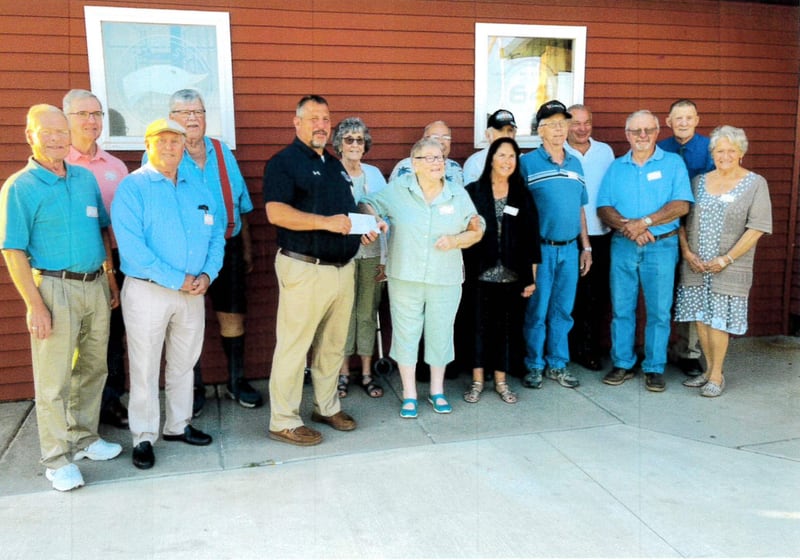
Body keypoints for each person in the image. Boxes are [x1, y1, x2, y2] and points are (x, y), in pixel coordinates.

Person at [0, 104, 122, 491]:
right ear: (30, 136)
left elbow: (103, 231)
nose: (55, 138)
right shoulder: (20, 186)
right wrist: (35, 304)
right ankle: (56, 458)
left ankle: (84, 438)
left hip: (94, 285)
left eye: (60, 131)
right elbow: (12, 250)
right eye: (46, 132)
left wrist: (110, 279)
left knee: (93, 367)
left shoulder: (84, 179)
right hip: (53, 287)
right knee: (53, 380)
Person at [263, 95, 379, 446]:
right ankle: (283, 419)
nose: (321, 124)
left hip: (341, 268)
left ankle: (326, 406)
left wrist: (366, 221)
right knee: (295, 347)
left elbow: (346, 209)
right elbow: (276, 213)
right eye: (313, 117)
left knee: (332, 346)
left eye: (326, 119)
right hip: (305, 268)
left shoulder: (333, 163)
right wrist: (327, 224)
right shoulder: (283, 163)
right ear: (296, 122)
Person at [112, 118, 224, 470]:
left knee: (184, 362)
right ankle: (143, 437)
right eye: (162, 141)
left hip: (193, 291)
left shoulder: (199, 188)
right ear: (147, 145)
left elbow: (217, 235)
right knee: (144, 367)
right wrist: (178, 278)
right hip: (150, 292)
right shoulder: (134, 187)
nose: (170, 147)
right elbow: (132, 248)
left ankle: (178, 425)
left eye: (176, 141)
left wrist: (208, 274)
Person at [361, 138, 484, 418]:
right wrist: (373, 220)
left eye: (439, 157)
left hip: (446, 277)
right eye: (429, 158)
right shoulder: (398, 191)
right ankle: (409, 394)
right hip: (405, 275)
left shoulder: (457, 193)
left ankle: (437, 391)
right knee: (406, 334)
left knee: (441, 333)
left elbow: (477, 227)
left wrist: (456, 239)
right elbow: (366, 202)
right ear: (413, 164)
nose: (437, 162)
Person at [166, 89, 261, 413]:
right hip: (184, 254)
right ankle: (194, 389)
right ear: (172, 118)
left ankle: (235, 381)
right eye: (184, 112)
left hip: (228, 247)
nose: (193, 118)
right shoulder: (165, 154)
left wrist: (246, 247)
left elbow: (241, 202)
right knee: (186, 323)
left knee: (233, 317)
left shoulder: (221, 151)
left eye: (199, 111)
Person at [597, 110, 693, 392]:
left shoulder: (673, 163)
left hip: (661, 246)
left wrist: (645, 222)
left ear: (656, 131)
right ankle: (623, 363)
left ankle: (654, 367)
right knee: (622, 308)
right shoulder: (617, 167)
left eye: (648, 130)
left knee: (659, 311)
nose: (642, 136)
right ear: (627, 134)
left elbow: (681, 205)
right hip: (624, 246)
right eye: (636, 131)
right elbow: (603, 207)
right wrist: (629, 228)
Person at [675, 126, 771, 397]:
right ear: (712, 153)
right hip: (697, 264)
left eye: (731, 150)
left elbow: (757, 228)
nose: (725, 155)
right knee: (701, 320)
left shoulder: (755, 183)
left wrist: (726, 258)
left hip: (728, 265)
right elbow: (683, 221)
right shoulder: (700, 182)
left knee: (718, 321)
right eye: (720, 150)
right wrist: (687, 252)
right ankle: (706, 371)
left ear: (741, 153)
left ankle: (717, 375)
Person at [63, 89, 131, 429]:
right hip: (74, 266)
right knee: (77, 339)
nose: (92, 121)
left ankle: (110, 402)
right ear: (66, 120)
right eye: (83, 114)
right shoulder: (60, 166)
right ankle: (78, 410)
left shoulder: (116, 167)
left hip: (115, 260)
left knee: (112, 336)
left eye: (97, 114)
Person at [461, 137, 540, 404]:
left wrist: (532, 278)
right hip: (479, 274)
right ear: (491, 158)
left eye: (512, 157)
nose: (507, 161)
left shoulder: (522, 194)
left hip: (512, 276)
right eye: (502, 155)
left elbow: (531, 239)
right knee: (478, 328)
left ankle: (501, 382)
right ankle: (477, 381)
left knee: (506, 330)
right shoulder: (473, 191)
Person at [519, 100, 592, 391]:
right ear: (540, 130)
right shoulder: (526, 163)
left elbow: (580, 208)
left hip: (571, 249)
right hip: (541, 250)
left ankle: (557, 364)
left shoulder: (576, 162)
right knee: (537, 310)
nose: (561, 129)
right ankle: (534, 365)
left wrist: (586, 248)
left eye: (564, 123)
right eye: (553, 124)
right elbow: (518, 211)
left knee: (563, 310)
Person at [658, 99, 716, 377]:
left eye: (688, 118)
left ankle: (689, 352)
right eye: (677, 118)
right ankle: (661, 349)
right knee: (665, 292)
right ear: (668, 121)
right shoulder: (661, 149)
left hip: (698, 227)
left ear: (697, 119)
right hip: (665, 227)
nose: (683, 123)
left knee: (691, 289)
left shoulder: (709, 149)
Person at [332, 117, 388, 399]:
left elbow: (382, 209)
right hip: (341, 253)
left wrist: (378, 226)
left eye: (359, 139)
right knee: (343, 311)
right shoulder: (330, 172)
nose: (355, 144)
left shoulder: (375, 173)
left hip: (372, 251)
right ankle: (343, 373)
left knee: (368, 310)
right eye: (349, 139)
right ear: (339, 144)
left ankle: (366, 372)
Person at [564, 104, 616, 371]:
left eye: (587, 122)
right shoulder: (560, 152)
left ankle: (590, 349)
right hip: (570, 237)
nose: (582, 128)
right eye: (575, 123)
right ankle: (571, 349)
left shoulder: (605, 152)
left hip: (601, 234)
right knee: (572, 297)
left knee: (597, 297)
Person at [389, 121, 464, 187]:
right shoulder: (406, 166)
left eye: (446, 138)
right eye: (435, 137)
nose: (441, 141)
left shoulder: (455, 168)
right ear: (424, 141)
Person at [462, 109, 518, 184]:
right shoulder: (475, 163)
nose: (506, 135)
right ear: (488, 135)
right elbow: (470, 194)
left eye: (510, 130)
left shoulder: (523, 160)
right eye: (500, 130)